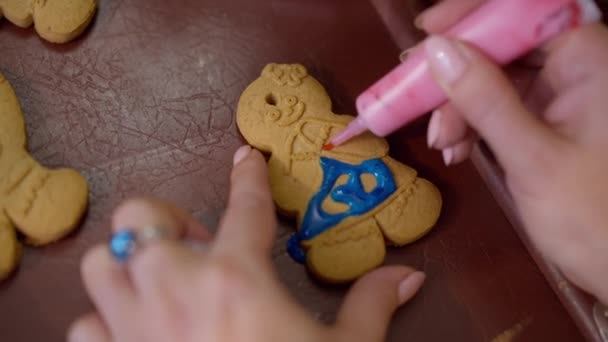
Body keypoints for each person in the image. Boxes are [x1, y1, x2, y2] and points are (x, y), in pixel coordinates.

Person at [68, 1, 608, 341]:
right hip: (333, 215)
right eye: (275, 105)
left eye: (282, 97)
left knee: (400, 195)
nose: (288, 109)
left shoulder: (344, 123)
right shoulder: (279, 167)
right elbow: (283, 191)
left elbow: (369, 149)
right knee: (333, 236)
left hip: (378, 184)